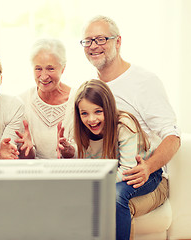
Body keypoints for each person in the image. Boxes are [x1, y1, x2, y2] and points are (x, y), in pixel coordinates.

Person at [79, 15, 181, 239]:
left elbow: (173, 137)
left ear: (118, 41)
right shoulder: (90, 89)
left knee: (112, 199)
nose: (94, 46)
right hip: (109, 173)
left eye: (101, 39)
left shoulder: (144, 82)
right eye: (88, 41)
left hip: (147, 178)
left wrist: (148, 166)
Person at [67, 79, 162, 239]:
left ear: (109, 108)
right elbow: (92, 165)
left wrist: (93, 183)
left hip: (142, 175)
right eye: (84, 113)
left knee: (115, 196)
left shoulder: (124, 125)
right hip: (115, 175)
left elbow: (127, 170)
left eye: (98, 111)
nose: (91, 119)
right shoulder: (84, 130)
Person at [15, 38, 74, 159]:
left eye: (50, 68)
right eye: (38, 68)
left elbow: (84, 152)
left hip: (70, 173)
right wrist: (28, 150)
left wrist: (69, 150)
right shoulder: (21, 101)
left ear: (63, 68)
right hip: (35, 175)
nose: (43, 76)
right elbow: (26, 158)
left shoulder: (78, 99)